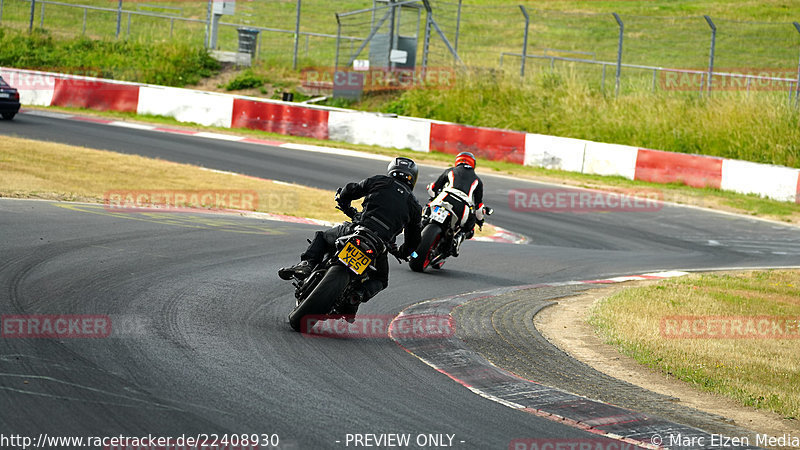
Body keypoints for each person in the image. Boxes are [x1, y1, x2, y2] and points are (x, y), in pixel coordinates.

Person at [278, 157, 422, 317]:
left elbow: (352, 189)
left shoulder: (380, 181)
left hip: (357, 229)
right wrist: (403, 252)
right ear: (413, 178)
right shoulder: (415, 206)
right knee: (380, 280)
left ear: (391, 170)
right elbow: (414, 239)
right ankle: (357, 295)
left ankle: (307, 264)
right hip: (379, 245)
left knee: (323, 236)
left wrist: (343, 200)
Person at [426, 151, 486, 256]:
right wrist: (480, 221)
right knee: (469, 227)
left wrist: (432, 198)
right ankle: (457, 239)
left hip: (444, 198)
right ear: (473, 164)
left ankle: (423, 223)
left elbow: (432, 188)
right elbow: (479, 207)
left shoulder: (450, 171)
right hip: (462, 207)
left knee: (426, 211)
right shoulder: (477, 180)